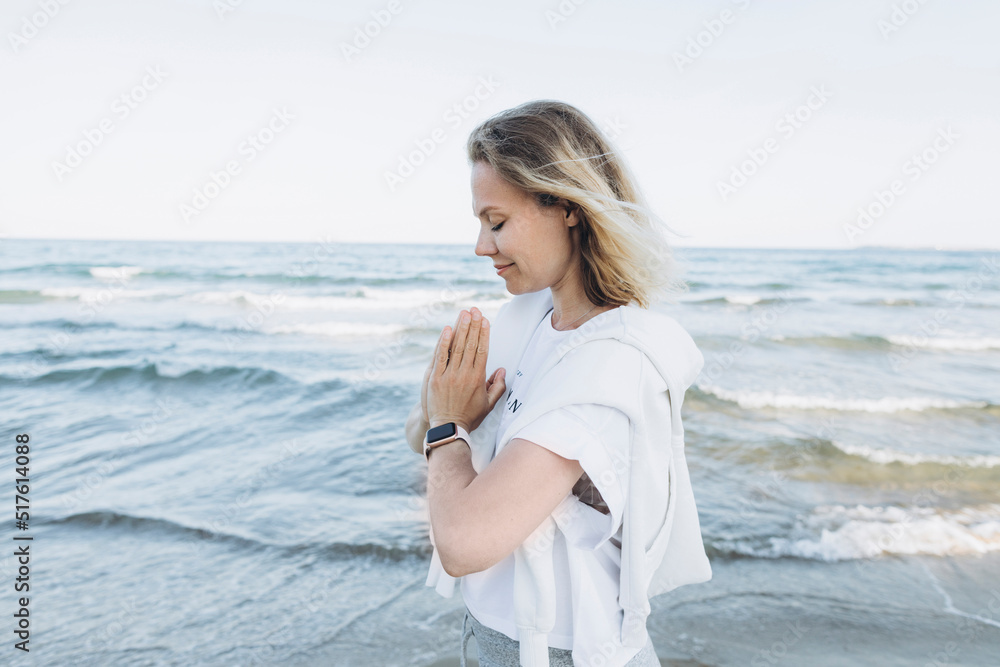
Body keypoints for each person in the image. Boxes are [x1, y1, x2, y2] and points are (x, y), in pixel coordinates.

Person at [404, 100, 711, 667]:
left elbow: (464, 542)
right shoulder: (527, 318)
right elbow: (429, 441)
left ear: (567, 207)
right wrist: (443, 409)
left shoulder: (611, 364)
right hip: (490, 632)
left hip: (565, 651)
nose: (481, 246)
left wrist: (449, 425)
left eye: (497, 222)